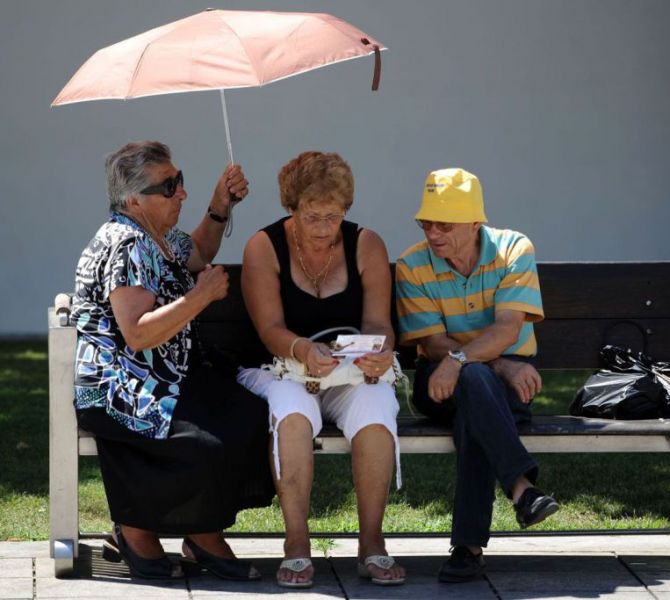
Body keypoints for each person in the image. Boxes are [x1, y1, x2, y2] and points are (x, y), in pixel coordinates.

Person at [72, 141, 273, 581]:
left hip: (165, 374)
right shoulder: (127, 245)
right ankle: (165, 531)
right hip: (122, 385)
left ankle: (194, 530)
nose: (181, 192)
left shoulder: (157, 236)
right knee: (205, 442)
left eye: (179, 181)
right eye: (169, 186)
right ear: (133, 200)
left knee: (247, 414)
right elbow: (138, 333)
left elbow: (198, 252)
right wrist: (198, 298)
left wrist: (220, 205)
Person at [239, 151, 405, 588]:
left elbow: (379, 324)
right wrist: (302, 349)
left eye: (335, 216)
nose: (324, 227)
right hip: (281, 366)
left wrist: (380, 351)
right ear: (291, 208)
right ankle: (296, 541)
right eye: (313, 216)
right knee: (293, 412)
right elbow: (270, 328)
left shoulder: (366, 243)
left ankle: (372, 541)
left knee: (375, 406)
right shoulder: (264, 246)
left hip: (348, 370)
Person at [395, 167, 559, 583]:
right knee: (475, 383)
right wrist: (492, 362)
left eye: (444, 224)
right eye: (426, 222)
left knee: (476, 402)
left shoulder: (513, 248)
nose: (433, 233)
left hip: (497, 387)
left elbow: (508, 328)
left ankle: (468, 549)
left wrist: (465, 361)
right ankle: (522, 488)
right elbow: (432, 343)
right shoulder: (413, 265)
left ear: (474, 222)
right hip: (439, 384)